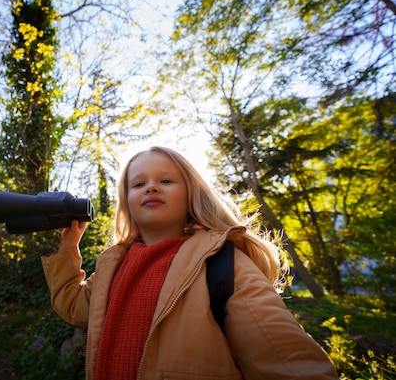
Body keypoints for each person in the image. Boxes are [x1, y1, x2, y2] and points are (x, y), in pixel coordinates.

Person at [41, 146, 337, 380]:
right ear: (127, 202)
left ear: (191, 194)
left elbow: (289, 365)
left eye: (166, 180)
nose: (151, 187)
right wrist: (68, 250)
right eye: (139, 183)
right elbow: (74, 305)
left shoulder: (223, 263)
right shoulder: (112, 265)